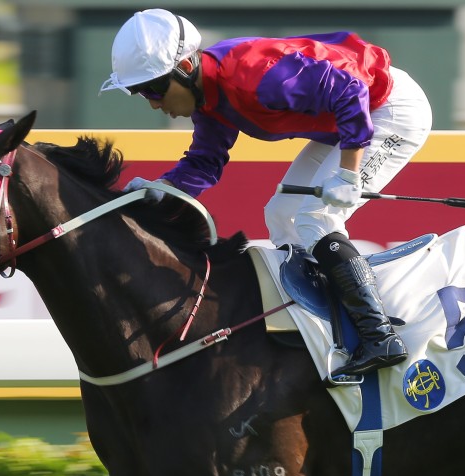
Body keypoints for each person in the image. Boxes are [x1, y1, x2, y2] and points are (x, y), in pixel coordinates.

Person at [99, 9, 433, 379]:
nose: (153, 103)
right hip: (345, 119)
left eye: (154, 88)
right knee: (282, 214)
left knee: (317, 219)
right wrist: (161, 190)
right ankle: (322, 328)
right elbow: (204, 163)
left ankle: (380, 337)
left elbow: (349, 89)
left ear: (185, 67)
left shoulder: (254, 76)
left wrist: (348, 173)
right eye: (141, 92)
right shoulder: (209, 101)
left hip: (387, 108)